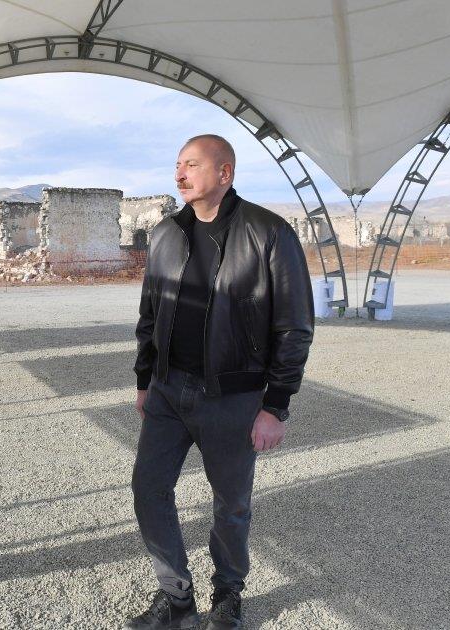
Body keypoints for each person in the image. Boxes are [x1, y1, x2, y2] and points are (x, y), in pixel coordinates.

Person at [125, 135, 314, 630]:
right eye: (177, 164)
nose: (179, 175)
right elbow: (150, 312)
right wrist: (145, 379)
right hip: (168, 391)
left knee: (231, 505)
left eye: (190, 165)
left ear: (224, 173)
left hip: (233, 397)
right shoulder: (165, 234)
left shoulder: (268, 233)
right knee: (148, 490)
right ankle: (176, 597)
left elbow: (294, 326)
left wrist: (275, 405)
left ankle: (228, 594)